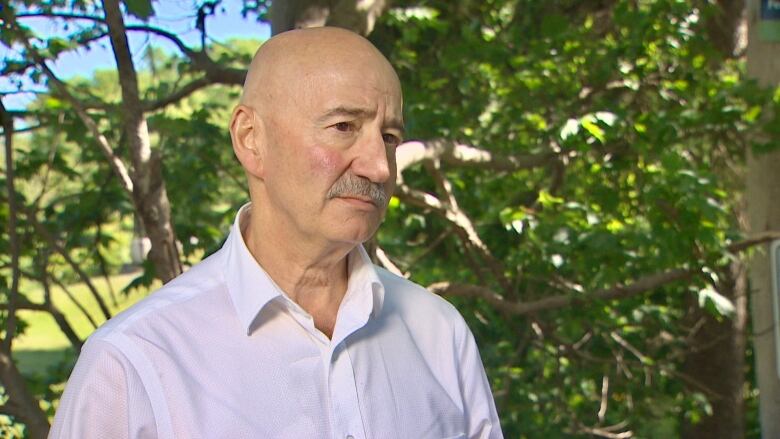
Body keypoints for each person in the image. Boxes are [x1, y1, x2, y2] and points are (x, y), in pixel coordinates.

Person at [49, 27, 503, 439]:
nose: (380, 166)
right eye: (344, 127)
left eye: (388, 135)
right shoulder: (132, 363)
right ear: (251, 139)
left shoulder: (439, 333)